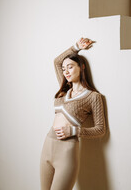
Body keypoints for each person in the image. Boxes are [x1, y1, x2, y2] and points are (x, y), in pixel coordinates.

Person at [40, 37, 106, 190]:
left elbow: (100, 129)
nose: (66, 72)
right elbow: (57, 61)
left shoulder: (93, 97)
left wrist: (73, 131)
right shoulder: (64, 90)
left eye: (70, 67)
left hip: (66, 152)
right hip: (48, 146)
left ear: (81, 67)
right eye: (64, 69)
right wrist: (76, 47)